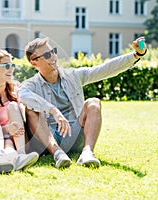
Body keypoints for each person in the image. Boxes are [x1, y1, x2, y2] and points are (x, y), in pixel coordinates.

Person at [17, 37, 147, 168]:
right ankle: (58, 154)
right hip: (47, 140)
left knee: (93, 102)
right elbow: (21, 95)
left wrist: (136, 55)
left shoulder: (73, 76)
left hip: (73, 134)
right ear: (34, 63)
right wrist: (53, 110)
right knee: (31, 109)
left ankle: (87, 153)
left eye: (53, 51)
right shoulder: (31, 85)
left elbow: (104, 69)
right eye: (47, 54)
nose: (53, 56)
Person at [0, 48, 39, 170]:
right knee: (7, 144)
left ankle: (20, 155)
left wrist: (12, 130)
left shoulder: (16, 89)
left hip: (18, 137)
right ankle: (7, 157)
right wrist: (7, 129)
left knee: (13, 106)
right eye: (6, 66)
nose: (11, 69)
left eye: (12, 65)